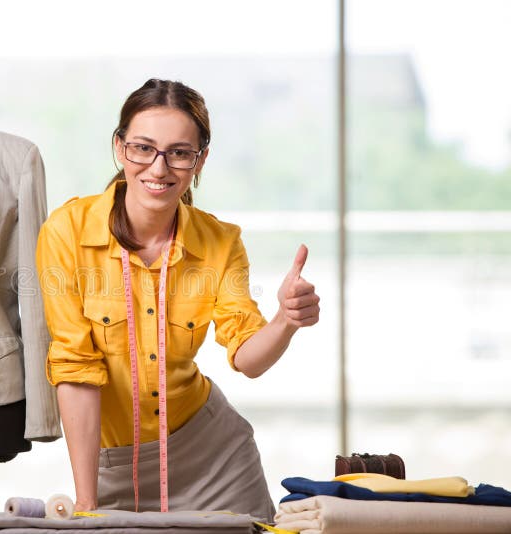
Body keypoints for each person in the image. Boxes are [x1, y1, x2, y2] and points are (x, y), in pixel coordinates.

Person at [36, 78, 320, 520]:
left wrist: (285, 320)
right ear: (120, 148)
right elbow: (76, 370)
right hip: (113, 463)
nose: (159, 167)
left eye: (179, 152)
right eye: (143, 148)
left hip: (212, 457)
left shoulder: (221, 243)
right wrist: (87, 502)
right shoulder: (66, 233)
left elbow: (248, 358)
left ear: (199, 160)